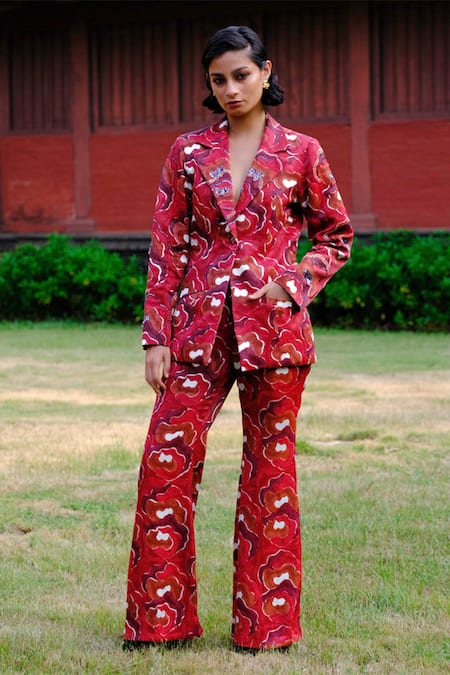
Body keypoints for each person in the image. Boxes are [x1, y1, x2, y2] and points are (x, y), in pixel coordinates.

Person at [123, 25, 353, 652]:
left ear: (265, 72)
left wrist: (294, 283)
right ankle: (159, 623)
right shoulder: (187, 152)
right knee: (164, 466)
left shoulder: (302, 152)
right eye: (218, 79)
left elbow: (337, 235)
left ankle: (265, 628)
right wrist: (155, 335)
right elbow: (167, 246)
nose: (230, 88)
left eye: (241, 75)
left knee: (270, 472)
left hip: (275, 334)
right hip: (195, 332)